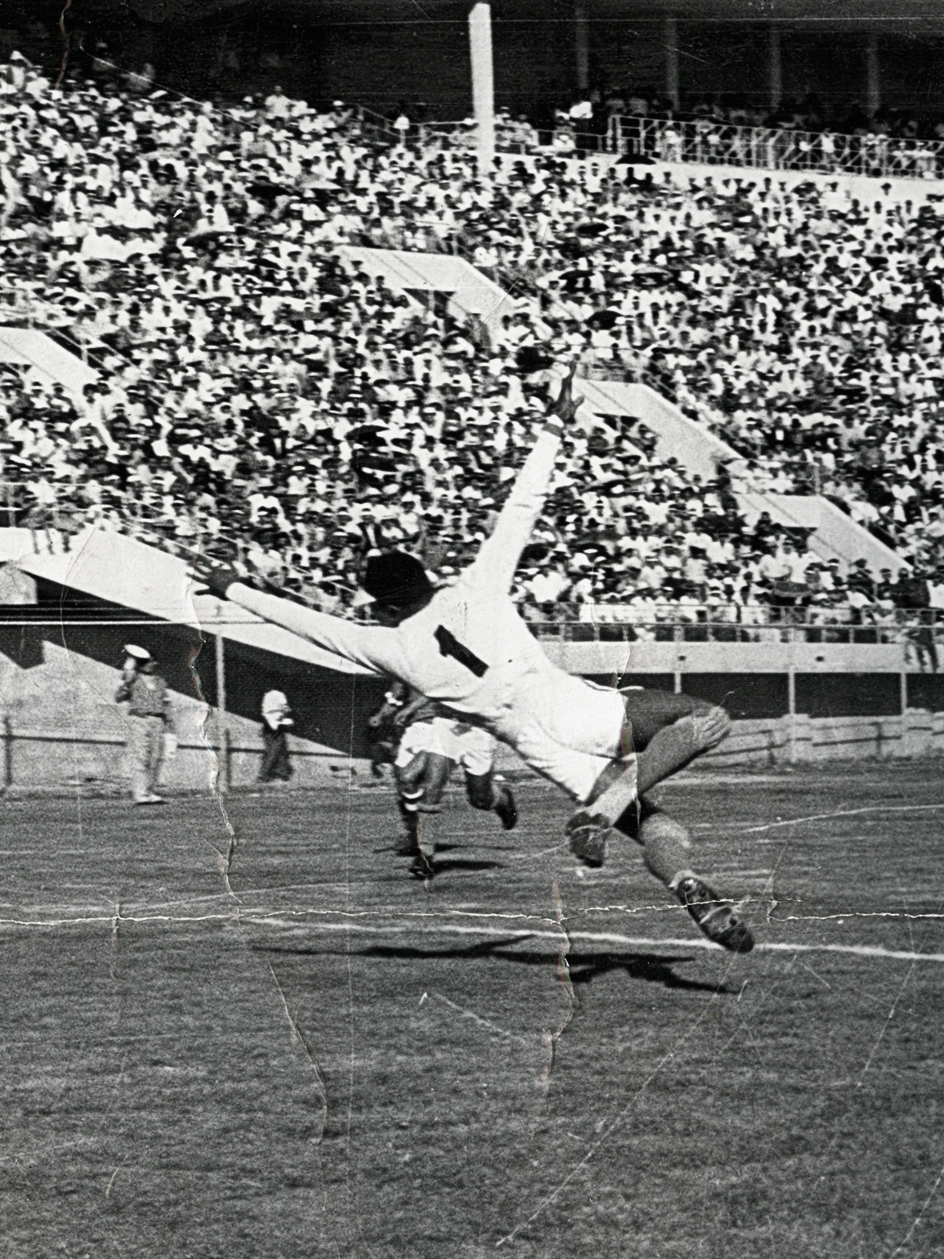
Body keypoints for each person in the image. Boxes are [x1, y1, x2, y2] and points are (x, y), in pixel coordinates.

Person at [195, 380, 755, 951]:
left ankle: (673, 870)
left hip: (535, 746)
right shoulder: (477, 587)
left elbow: (309, 625)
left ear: (386, 606)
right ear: (425, 578)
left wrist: (233, 588)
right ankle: (611, 818)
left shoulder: (390, 647)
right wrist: (554, 427)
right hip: (567, 705)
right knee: (707, 718)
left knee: (658, 825)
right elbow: (522, 507)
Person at [385, 687, 517, 883]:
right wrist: (411, 709)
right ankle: (425, 856)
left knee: (480, 799)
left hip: (479, 732)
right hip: (445, 727)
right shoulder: (452, 658)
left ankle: (503, 800)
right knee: (432, 787)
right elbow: (438, 686)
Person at [115, 643, 170, 805]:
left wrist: (169, 728)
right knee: (141, 756)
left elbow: (165, 705)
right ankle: (140, 794)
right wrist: (126, 676)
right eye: (149, 661)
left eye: (153, 661)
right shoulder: (133, 678)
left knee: (155, 758)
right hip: (139, 719)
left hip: (157, 720)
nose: (152, 664)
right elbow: (118, 696)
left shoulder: (160, 682)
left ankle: (149, 791)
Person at [258, 687, 296, 785]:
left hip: (268, 725)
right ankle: (265, 774)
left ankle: (280, 773)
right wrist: (285, 714)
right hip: (277, 725)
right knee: (275, 750)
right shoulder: (280, 695)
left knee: (277, 750)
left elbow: (264, 711)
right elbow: (285, 708)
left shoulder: (266, 695)